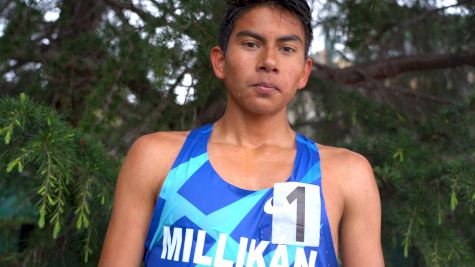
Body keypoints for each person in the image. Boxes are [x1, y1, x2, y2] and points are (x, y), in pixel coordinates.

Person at [99, 0, 384, 266]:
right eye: (251, 44)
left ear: (304, 72)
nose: (268, 61)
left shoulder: (346, 175)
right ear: (220, 60)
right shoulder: (156, 158)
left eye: (286, 49)